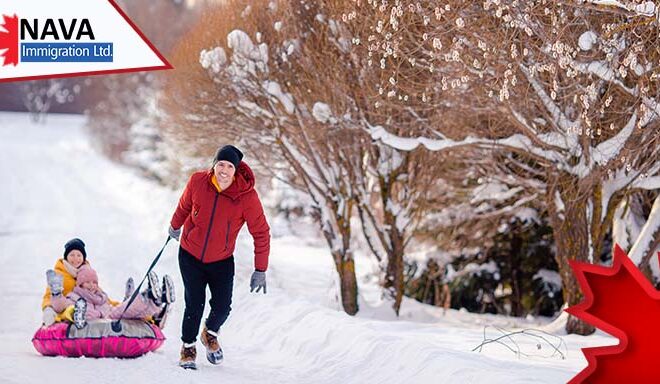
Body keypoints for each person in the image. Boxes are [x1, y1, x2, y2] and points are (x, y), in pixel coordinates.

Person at [168, 144, 270, 370]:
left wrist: (260, 268)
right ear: (214, 165)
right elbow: (184, 205)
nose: (223, 170)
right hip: (190, 254)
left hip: (222, 260)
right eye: (220, 164)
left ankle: (210, 333)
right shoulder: (198, 182)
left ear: (236, 170)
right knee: (194, 304)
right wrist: (175, 226)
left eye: (229, 166)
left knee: (223, 307)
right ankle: (188, 347)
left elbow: (261, 232)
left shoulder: (247, 197)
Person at [48, 265, 175, 329]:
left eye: (94, 282)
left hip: (107, 317)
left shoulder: (101, 297)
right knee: (120, 311)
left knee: (125, 311)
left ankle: (156, 302)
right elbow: (60, 305)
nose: (91, 286)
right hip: (92, 318)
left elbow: (110, 307)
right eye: (87, 282)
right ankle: (147, 297)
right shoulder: (74, 296)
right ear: (80, 284)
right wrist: (56, 292)